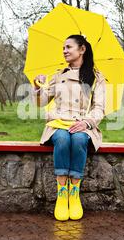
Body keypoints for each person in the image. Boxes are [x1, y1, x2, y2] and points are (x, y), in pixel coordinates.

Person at [32, 34, 106, 221]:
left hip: (82, 122)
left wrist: (86, 123)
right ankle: (62, 192)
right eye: (63, 47)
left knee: (80, 138)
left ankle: (75, 193)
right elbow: (41, 103)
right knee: (63, 138)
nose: (64, 51)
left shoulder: (96, 77)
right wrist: (38, 85)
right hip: (58, 121)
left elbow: (99, 108)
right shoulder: (58, 75)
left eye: (68, 47)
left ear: (82, 49)